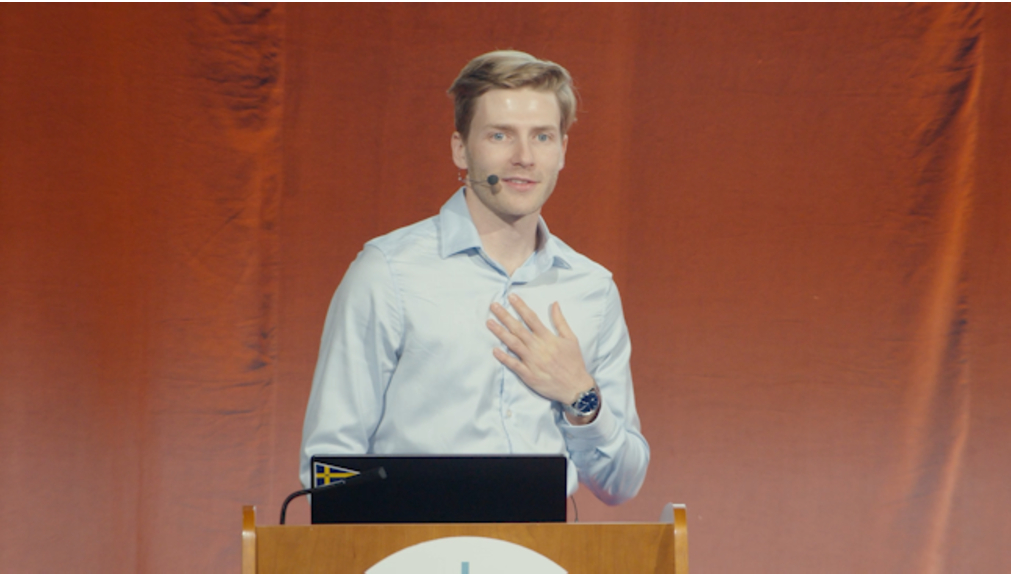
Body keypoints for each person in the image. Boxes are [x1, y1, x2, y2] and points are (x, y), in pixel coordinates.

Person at [300, 50, 648, 505]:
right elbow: (329, 464)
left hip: (542, 544)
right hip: (413, 542)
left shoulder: (591, 289)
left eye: (542, 136)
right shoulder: (388, 273)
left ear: (563, 151)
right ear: (460, 148)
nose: (524, 157)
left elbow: (622, 484)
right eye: (500, 135)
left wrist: (581, 396)